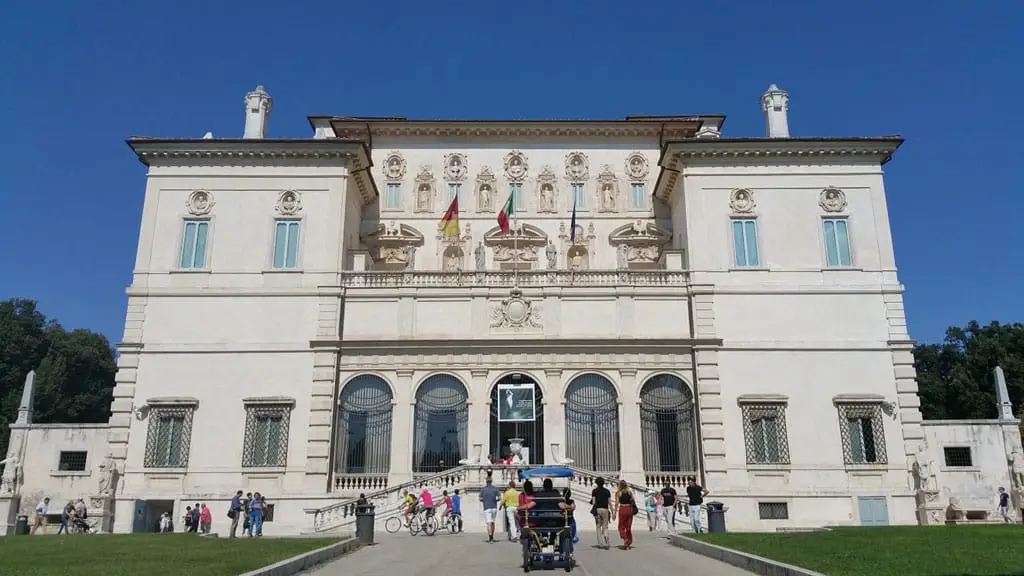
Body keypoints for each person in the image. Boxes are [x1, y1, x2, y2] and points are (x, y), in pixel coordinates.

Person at [612, 480, 636, 549]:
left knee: (621, 527)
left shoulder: (618, 493)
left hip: (622, 508)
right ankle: (628, 544)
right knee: (628, 527)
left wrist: (614, 513)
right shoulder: (629, 492)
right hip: (629, 509)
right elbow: (633, 501)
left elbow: (616, 504)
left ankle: (625, 538)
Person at [590, 477, 612, 549]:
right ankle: (606, 537)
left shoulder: (594, 491)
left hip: (598, 509)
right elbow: (609, 502)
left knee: (598, 526)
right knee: (605, 526)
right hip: (605, 509)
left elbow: (593, 502)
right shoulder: (607, 491)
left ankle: (600, 543)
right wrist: (612, 510)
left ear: (596, 483)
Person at [479, 476, 501, 542]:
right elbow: (499, 497)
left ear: (486, 481)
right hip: (494, 507)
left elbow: (480, 498)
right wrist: (496, 500)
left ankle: (490, 536)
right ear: (491, 481)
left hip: (487, 507)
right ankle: (492, 536)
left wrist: (484, 500)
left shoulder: (483, 489)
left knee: (488, 523)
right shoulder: (495, 489)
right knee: (493, 522)